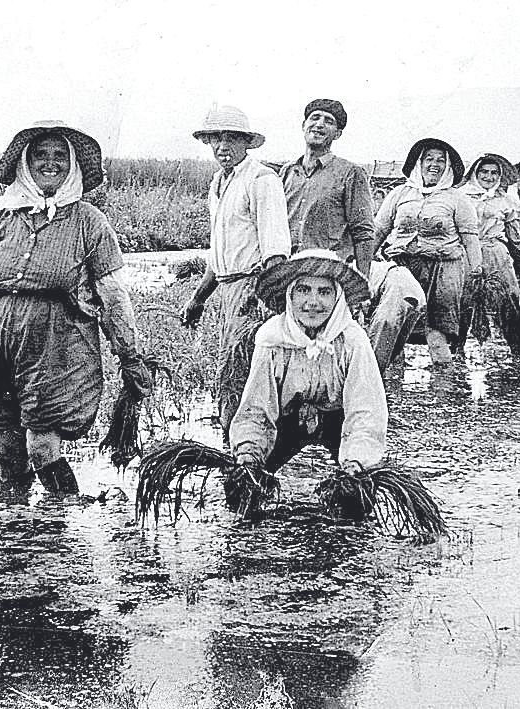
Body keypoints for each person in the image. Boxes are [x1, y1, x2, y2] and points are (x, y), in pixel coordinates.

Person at [0, 120, 151, 496]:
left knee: (42, 447)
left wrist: (130, 356)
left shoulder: (89, 223)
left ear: (73, 165)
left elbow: (113, 296)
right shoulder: (0, 213)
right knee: (7, 450)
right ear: (24, 164)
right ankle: (13, 531)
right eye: (40, 156)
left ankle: (60, 526)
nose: (50, 163)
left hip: (56, 347)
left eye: (60, 156)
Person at [229, 249, 386, 506]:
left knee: (358, 497)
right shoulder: (271, 339)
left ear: (337, 297)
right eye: (303, 290)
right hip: (286, 419)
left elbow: (365, 411)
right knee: (246, 492)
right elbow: (256, 408)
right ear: (290, 295)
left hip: (338, 420)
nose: (312, 302)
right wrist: (249, 453)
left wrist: (356, 461)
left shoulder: (353, 341)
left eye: (324, 292)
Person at [279, 99, 425, 374]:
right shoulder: (288, 172)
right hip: (295, 272)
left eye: (329, 121)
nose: (319, 124)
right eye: (315, 118)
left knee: (331, 347)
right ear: (303, 125)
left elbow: (364, 232)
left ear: (338, 134)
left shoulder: (350, 173)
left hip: (331, 273)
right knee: (292, 347)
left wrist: (363, 284)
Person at [180, 105, 291, 440]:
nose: (222, 146)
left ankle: (244, 447)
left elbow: (276, 252)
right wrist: (198, 299)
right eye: (215, 138)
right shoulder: (218, 184)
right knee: (231, 370)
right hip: (228, 291)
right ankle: (239, 443)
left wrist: (259, 299)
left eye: (230, 138)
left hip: (253, 290)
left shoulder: (261, 180)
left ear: (246, 143)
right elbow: (220, 255)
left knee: (239, 370)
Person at [372, 138, 482, 365]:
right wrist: (364, 262)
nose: (434, 164)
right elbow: (379, 229)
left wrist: (476, 271)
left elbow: (470, 239)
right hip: (402, 269)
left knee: (437, 337)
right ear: (418, 164)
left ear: (448, 167)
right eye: (428, 159)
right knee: (393, 332)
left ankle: (444, 391)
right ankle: (389, 392)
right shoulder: (400, 194)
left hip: (441, 273)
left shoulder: (457, 199)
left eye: (441, 160)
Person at [458, 153, 520, 355]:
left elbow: (514, 237)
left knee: (510, 299)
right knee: (462, 301)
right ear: (475, 173)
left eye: (494, 173)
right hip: (466, 252)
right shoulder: (461, 196)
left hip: (495, 250)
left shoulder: (505, 200)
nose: (488, 177)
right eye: (484, 172)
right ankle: (456, 349)